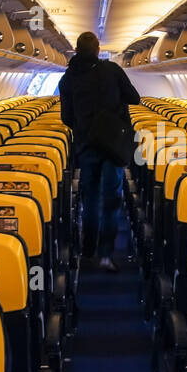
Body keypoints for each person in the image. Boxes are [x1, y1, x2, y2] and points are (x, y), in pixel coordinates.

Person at [59, 31, 140, 271]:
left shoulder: (68, 79)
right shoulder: (112, 70)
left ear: (76, 51)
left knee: (90, 199)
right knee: (111, 200)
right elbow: (134, 98)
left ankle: (87, 251)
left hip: (86, 145)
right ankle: (106, 255)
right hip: (113, 144)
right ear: (97, 50)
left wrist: (85, 126)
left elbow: (66, 117)